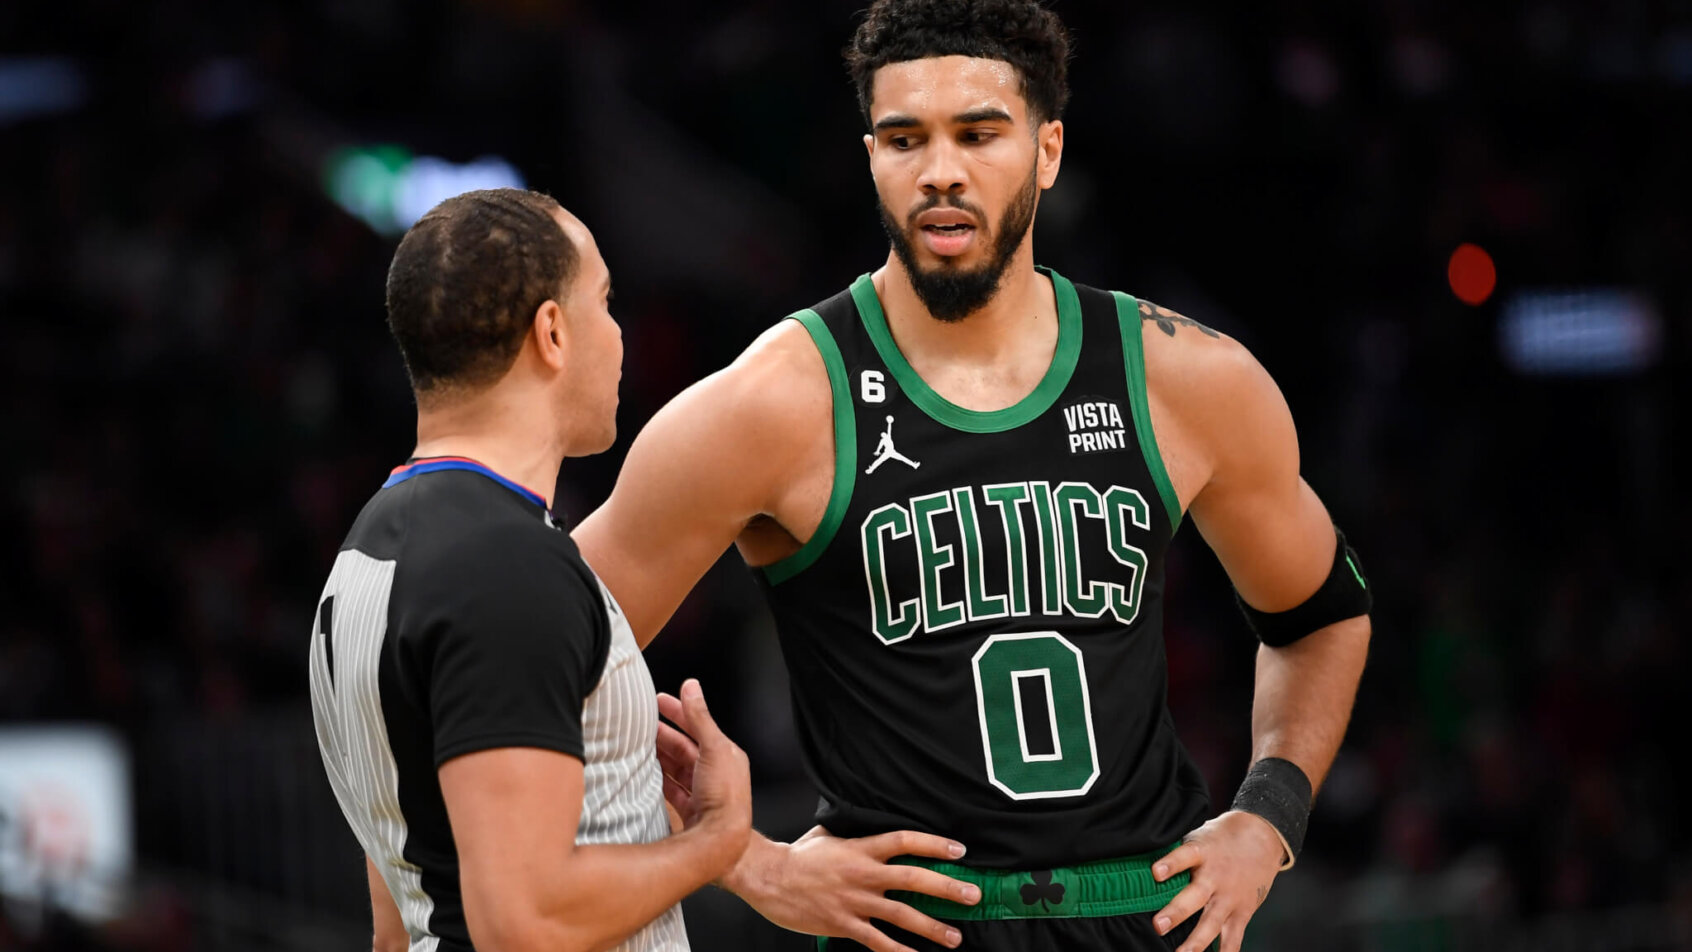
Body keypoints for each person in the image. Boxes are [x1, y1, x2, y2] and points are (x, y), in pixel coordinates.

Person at [575, 1, 1372, 949]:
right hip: (908, 928)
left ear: (1048, 150)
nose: (941, 170)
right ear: (870, 155)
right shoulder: (769, 403)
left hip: (1143, 914)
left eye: (979, 134)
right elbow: (530, 658)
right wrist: (748, 863)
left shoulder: (1187, 378)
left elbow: (1320, 616)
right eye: (905, 138)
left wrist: (1268, 817)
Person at [307, 188, 751, 952]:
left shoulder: (367, 549)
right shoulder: (506, 566)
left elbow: (394, 928)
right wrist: (716, 840)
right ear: (552, 331)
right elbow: (523, 921)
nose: (619, 333)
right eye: (605, 302)